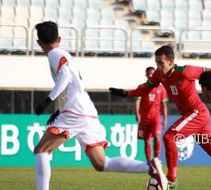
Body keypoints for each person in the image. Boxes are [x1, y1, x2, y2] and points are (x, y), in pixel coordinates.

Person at [33, 21, 168, 190]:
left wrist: (47, 101)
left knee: (41, 150)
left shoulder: (54, 54)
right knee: (101, 163)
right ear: (59, 38)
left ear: (38, 42)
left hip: (75, 111)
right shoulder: (64, 55)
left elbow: (66, 76)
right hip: (86, 110)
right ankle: (150, 167)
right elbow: (72, 85)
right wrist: (59, 109)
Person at [109, 45, 211, 189]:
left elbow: (209, 71)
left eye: (161, 63)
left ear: (171, 61)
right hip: (194, 116)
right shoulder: (159, 75)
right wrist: (127, 93)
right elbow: (146, 88)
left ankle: (171, 180)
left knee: (169, 137)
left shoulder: (185, 71)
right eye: (157, 63)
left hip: (197, 112)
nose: (158, 67)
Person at [135, 67, 168, 161]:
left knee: (157, 137)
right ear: (146, 74)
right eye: (149, 73)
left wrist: (165, 118)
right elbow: (137, 101)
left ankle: (156, 159)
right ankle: (149, 162)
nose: (151, 75)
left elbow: (164, 105)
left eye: (153, 74)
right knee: (146, 141)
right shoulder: (141, 87)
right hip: (144, 119)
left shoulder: (161, 89)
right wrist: (137, 113)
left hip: (156, 118)